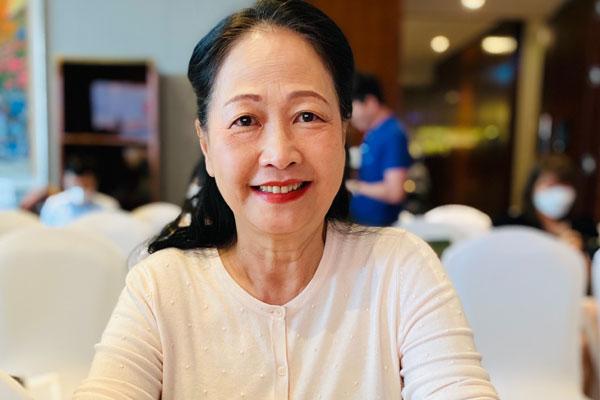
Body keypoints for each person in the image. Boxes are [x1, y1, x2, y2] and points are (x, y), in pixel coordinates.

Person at [74, 1, 497, 399]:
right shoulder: (160, 286)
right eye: (245, 120)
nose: (279, 154)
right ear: (206, 145)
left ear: (343, 131)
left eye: (307, 116)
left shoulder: (399, 270)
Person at [494, 154, 598, 261]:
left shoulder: (586, 228)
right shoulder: (511, 225)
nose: (558, 191)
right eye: (550, 184)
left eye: (564, 184)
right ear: (532, 188)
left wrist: (581, 253)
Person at [345, 73, 412, 226]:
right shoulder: (373, 132)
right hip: (364, 221)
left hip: (378, 226)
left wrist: (353, 185)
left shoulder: (392, 134)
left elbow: (395, 192)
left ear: (370, 102)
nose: (349, 116)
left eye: (351, 107)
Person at [39, 157, 119, 227]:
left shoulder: (108, 206)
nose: (81, 189)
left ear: (95, 182)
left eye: (86, 185)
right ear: (65, 181)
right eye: (76, 184)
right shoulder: (53, 205)